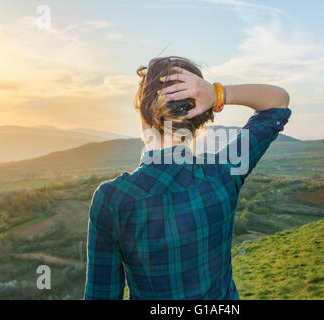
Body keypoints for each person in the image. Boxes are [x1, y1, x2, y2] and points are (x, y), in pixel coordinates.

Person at [84, 56, 292, 300]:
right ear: (201, 116)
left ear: (143, 112)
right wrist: (217, 93)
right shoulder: (224, 171)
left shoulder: (114, 198)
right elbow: (277, 102)